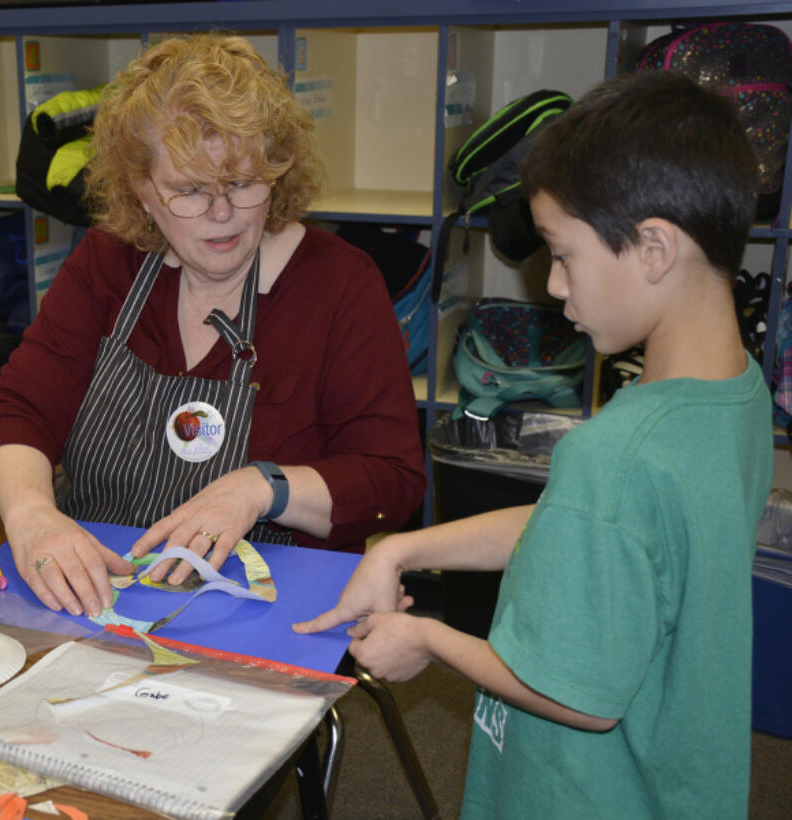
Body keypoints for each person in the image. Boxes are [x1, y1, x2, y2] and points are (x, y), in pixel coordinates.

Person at [295, 70, 773, 817]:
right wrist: (398, 550)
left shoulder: (615, 456)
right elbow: (584, 529)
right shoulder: (736, 394)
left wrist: (430, 639)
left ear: (653, 248)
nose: (552, 285)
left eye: (562, 253)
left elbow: (574, 696)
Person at [0, 33, 426, 617]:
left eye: (241, 183)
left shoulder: (338, 286)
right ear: (141, 189)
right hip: (95, 586)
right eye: (187, 190)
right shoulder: (109, 262)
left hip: (261, 603)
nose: (220, 214)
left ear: (277, 170)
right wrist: (32, 515)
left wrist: (264, 487)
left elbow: (393, 482)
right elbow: (18, 409)